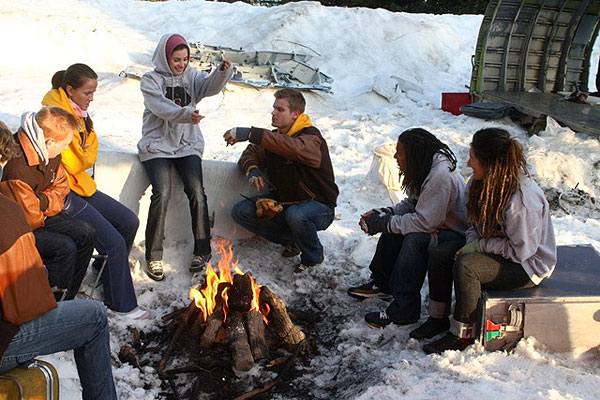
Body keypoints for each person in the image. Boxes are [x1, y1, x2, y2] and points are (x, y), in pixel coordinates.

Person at [0, 126, 118, 399]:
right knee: (94, 318)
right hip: (4, 342)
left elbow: (60, 188)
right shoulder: (7, 213)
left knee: (79, 235)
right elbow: (26, 305)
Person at [421, 128, 556, 354]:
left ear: (490, 164)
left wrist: (479, 248)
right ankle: (438, 317)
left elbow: (522, 250)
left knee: (468, 267)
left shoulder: (522, 198)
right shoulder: (478, 182)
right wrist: (470, 244)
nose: (469, 162)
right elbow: (473, 223)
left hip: (527, 264)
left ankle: (462, 333)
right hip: (495, 249)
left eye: (473, 158)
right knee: (441, 254)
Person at [42, 63, 146, 319]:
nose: (91, 99)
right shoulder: (55, 115)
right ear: (70, 90)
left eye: (93, 93)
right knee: (112, 242)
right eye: (87, 93)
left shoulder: (79, 114)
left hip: (81, 185)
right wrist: (85, 155)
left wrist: (85, 154)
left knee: (128, 222)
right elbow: (76, 161)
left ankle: (105, 273)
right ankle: (121, 305)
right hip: (64, 192)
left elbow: (88, 152)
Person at [347, 128, 466, 328]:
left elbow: (424, 223)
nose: (395, 156)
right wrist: (385, 213)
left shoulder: (440, 177)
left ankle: (405, 309)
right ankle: (383, 284)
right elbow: (413, 203)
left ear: (414, 154)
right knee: (395, 223)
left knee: (414, 240)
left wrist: (385, 223)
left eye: (400, 152)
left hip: (455, 234)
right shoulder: (425, 166)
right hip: (437, 224)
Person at [138, 33, 232, 281]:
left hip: (187, 143)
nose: (181, 64)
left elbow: (208, 86)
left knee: (196, 191)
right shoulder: (150, 80)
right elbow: (160, 107)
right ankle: (154, 254)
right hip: (157, 144)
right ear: (164, 57)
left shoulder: (190, 76)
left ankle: (202, 251)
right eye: (176, 59)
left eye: (184, 59)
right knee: (162, 192)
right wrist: (185, 114)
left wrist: (221, 73)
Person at [226, 89, 339, 273]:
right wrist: (253, 170)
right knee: (241, 211)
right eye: (274, 108)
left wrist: (251, 133)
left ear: (296, 114)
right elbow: (250, 153)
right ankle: (292, 241)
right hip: (286, 203)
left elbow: (293, 147)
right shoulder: (275, 137)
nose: (273, 113)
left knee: (296, 215)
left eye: (280, 109)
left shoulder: (311, 138)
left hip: (319, 207)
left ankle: (313, 256)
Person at [0, 109, 94, 300]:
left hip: (42, 213)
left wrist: (42, 201)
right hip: (23, 227)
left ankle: (69, 296)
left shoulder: (49, 152)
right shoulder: (18, 166)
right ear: (50, 142)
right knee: (64, 247)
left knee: (86, 232)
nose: (66, 148)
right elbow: (29, 218)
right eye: (65, 144)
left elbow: (62, 186)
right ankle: (51, 302)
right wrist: (48, 203)